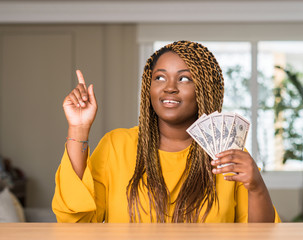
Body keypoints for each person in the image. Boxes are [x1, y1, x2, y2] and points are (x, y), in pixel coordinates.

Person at [52, 40, 281, 223]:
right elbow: (75, 220)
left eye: (184, 79)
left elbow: (259, 235)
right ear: (148, 88)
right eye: (159, 77)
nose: (169, 87)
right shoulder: (116, 146)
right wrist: (79, 127)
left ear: (205, 89)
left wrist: (257, 186)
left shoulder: (226, 156)